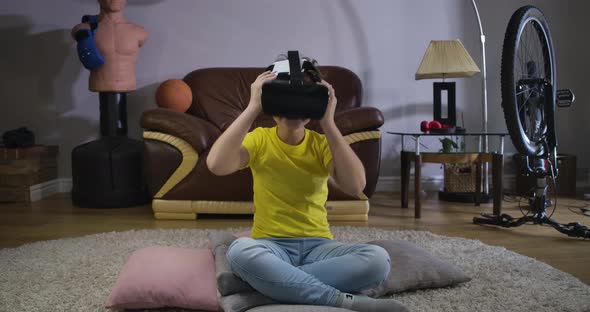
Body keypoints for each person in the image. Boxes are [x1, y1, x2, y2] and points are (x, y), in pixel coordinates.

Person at [206, 57, 407, 312]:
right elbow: (216, 165)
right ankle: (340, 301)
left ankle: (264, 289)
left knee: (378, 260)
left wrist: (328, 122)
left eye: (303, 98)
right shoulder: (259, 140)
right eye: (284, 98)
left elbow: (357, 186)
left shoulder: (321, 143)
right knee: (239, 252)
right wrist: (252, 107)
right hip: (270, 245)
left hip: (319, 246)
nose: (293, 108)